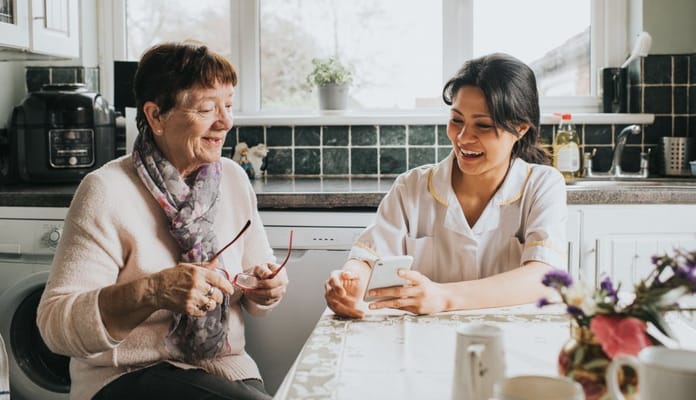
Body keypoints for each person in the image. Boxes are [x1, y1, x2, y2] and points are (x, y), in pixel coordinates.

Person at [36, 41, 288, 400]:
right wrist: (152, 292)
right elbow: (54, 328)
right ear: (156, 116)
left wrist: (266, 288)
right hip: (123, 376)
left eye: (228, 106)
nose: (226, 121)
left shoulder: (233, 179)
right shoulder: (106, 191)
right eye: (206, 109)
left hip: (225, 369)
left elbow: (256, 287)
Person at [324, 53, 567, 318]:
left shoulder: (542, 184)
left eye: (483, 125)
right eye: (457, 120)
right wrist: (350, 283)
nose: (463, 137)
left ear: (520, 128)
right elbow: (369, 257)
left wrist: (444, 297)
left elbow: (545, 275)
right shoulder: (412, 187)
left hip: (508, 339)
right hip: (422, 342)